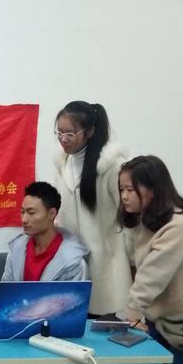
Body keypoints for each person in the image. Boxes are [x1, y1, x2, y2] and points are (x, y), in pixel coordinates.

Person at [53, 101, 131, 318]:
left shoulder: (112, 165)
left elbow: (129, 215)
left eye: (70, 133)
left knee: (103, 324)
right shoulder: (62, 164)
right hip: (72, 264)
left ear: (89, 132)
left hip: (107, 267)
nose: (63, 139)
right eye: (59, 133)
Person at [118, 155, 183, 339]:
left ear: (153, 190)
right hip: (157, 319)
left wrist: (132, 313)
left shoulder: (179, 226)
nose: (124, 196)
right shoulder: (146, 219)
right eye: (121, 189)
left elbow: (151, 276)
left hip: (179, 326)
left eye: (130, 190)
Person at [2, 181, 88, 282]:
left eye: (31, 213)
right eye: (22, 212)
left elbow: (75, 292)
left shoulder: (73, 261)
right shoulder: (16, 250)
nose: (24, 219)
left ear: (51, 214)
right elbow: (5, 289)